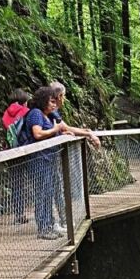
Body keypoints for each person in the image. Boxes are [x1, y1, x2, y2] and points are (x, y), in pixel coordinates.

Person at [48, 80, 100, 225]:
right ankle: (54, 223)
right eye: (63, 96)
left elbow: (65, 128)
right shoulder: (50, 109)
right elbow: (64, 128)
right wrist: (88, 134)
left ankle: (61, 220)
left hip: (51, 155)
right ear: (59, 96)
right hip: (47, 155)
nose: (63, 99)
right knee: (52, 189)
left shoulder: (52, 109)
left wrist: (87, 132)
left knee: (56, 187)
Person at [20, 84, 67, 240]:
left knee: (48, 193)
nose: (54, 105)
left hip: (48, 160)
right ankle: (43, 227)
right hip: (38, 160)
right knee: (42, 194)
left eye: (55, 101)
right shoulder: (35, 113)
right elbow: (37, 133)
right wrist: (54, 130)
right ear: (43, 101)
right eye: (51, 101)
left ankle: (49, 225)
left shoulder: (48, 115)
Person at [2, 88, 31, 223]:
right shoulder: (25, 112)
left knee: (16, 184)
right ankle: (40, 214)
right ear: (24, 101)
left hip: (12, 152)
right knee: (35, 180)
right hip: (26, 150)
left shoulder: (6, 114)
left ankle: (19, 215)